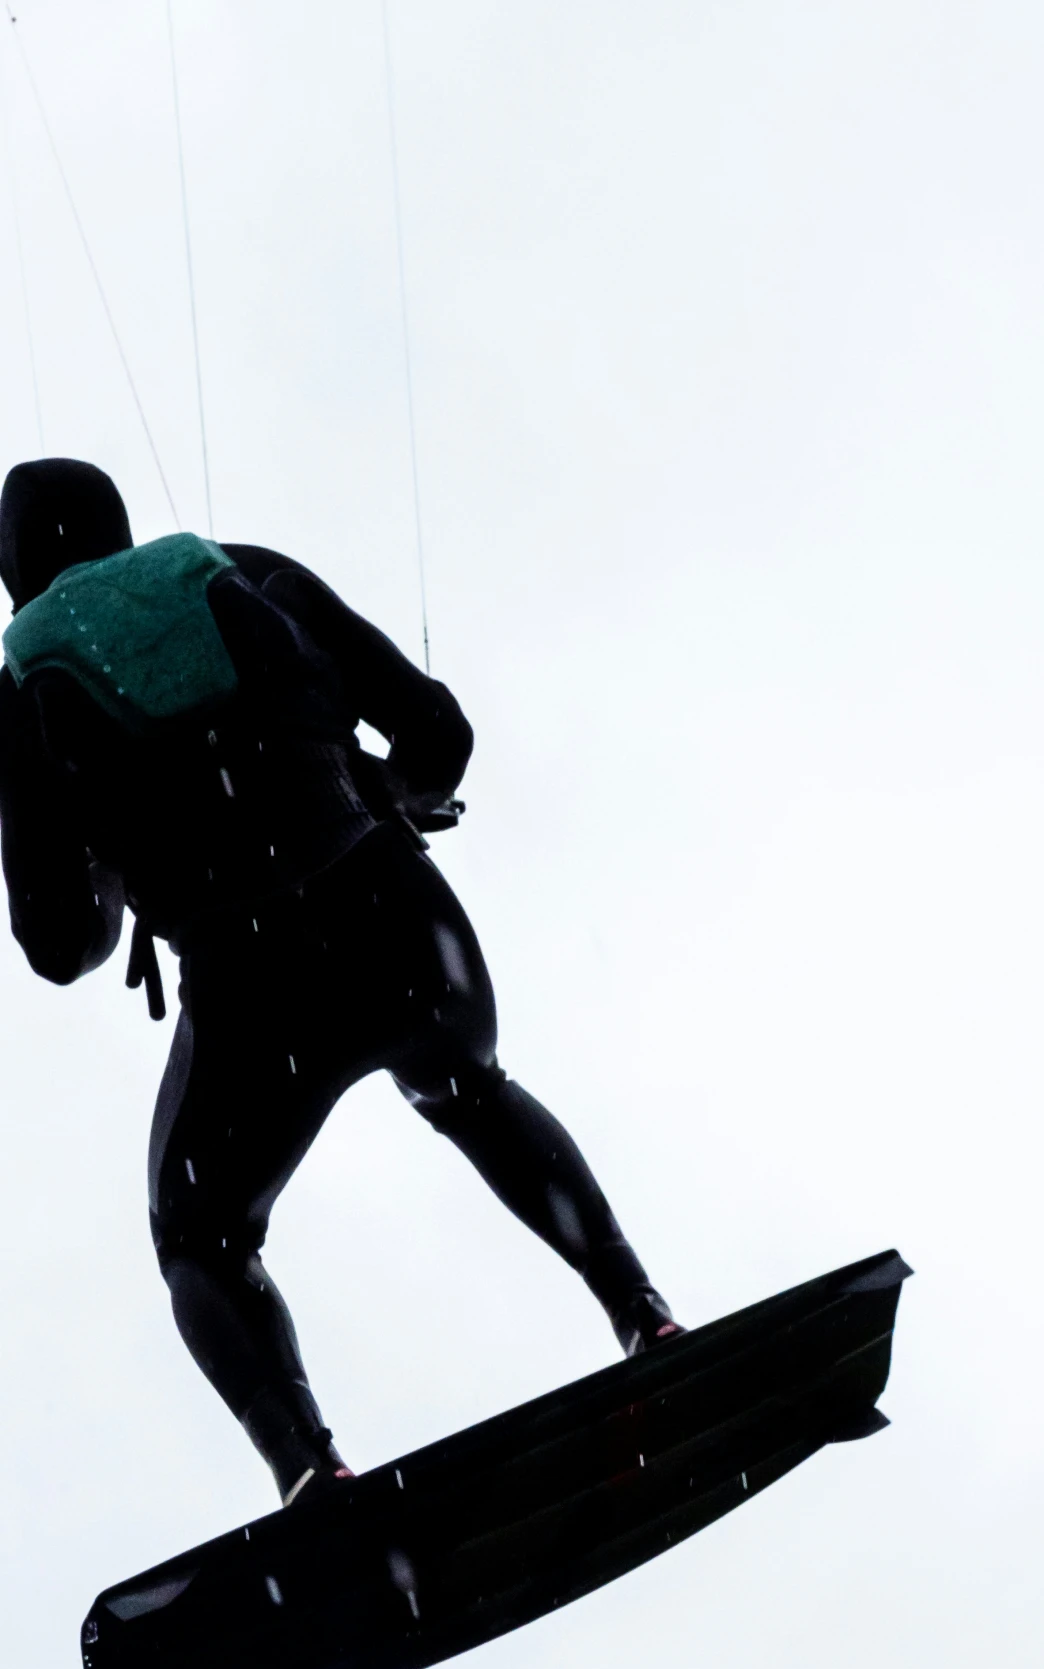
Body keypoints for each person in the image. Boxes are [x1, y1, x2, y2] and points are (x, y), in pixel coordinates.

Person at [0, 457, 681, 1507]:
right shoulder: (239, 568)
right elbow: (438, 736)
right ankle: (644, 1313)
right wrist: (381, 793)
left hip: (247, 989)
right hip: (395, 920)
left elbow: (61, 947)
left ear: (12, 577)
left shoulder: (26, 683)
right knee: (470, 1088)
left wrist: (117, 857)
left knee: (200, 1237)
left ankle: (310, 1472)